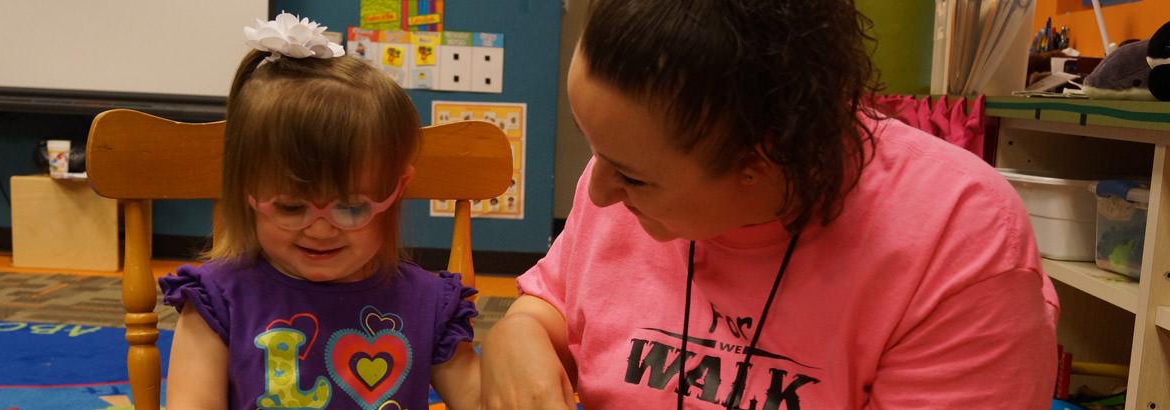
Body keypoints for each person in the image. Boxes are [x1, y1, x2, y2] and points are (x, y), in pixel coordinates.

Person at [480, 0, 1060, 409]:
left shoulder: (957, 239)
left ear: (764, 164)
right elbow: (556, 303)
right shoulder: (626, 176)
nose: (599, 191)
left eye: (633, 177)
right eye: (594, 148)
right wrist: (519, 333)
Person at [158, 12, 480, 410]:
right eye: (292, 207)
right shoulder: (218, 301)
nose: (321, 229)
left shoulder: (427, 303)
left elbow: (482, 400)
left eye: (350, 207)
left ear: (394, 191)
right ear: (247, 191)